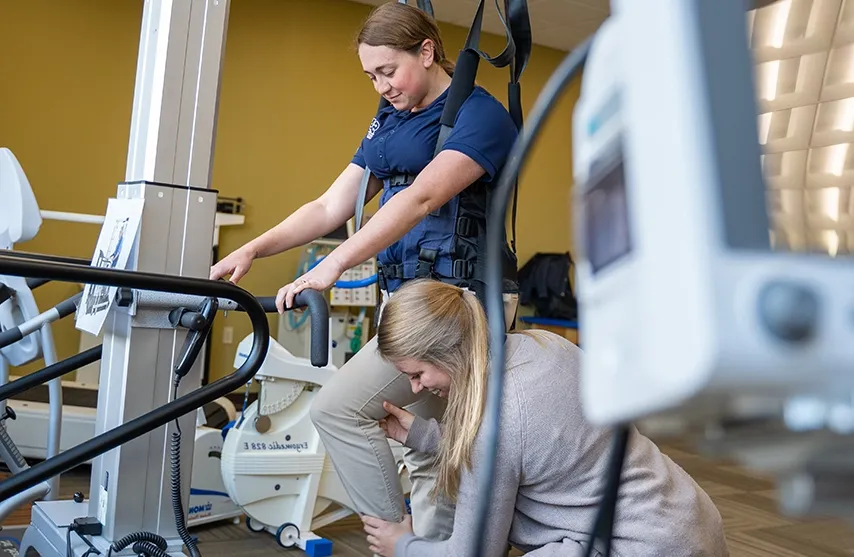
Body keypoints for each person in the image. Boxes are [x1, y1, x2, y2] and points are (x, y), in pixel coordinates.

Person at [209, 2, 520, 541]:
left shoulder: (480, 115)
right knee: (430, 453)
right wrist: (254, 249)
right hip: (411, 302)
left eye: (388, 70)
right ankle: (425, 547)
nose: (381, 86)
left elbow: (422, 198)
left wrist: (333, 264)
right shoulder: (390, 122)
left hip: (462, 305)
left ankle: (400, 542)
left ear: (426, 52)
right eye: (370, 75)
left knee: (341, 408)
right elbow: (330, 207)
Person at [360, 279, 730, 557]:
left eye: (418, 374)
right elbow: (537, 447)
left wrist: (403, 545)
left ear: (451, 353)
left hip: (636, 547)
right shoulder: (542, 344)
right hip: (690, 522)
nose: (414, 389)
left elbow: (470, 553)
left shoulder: (494, 422)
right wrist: (426, 436)